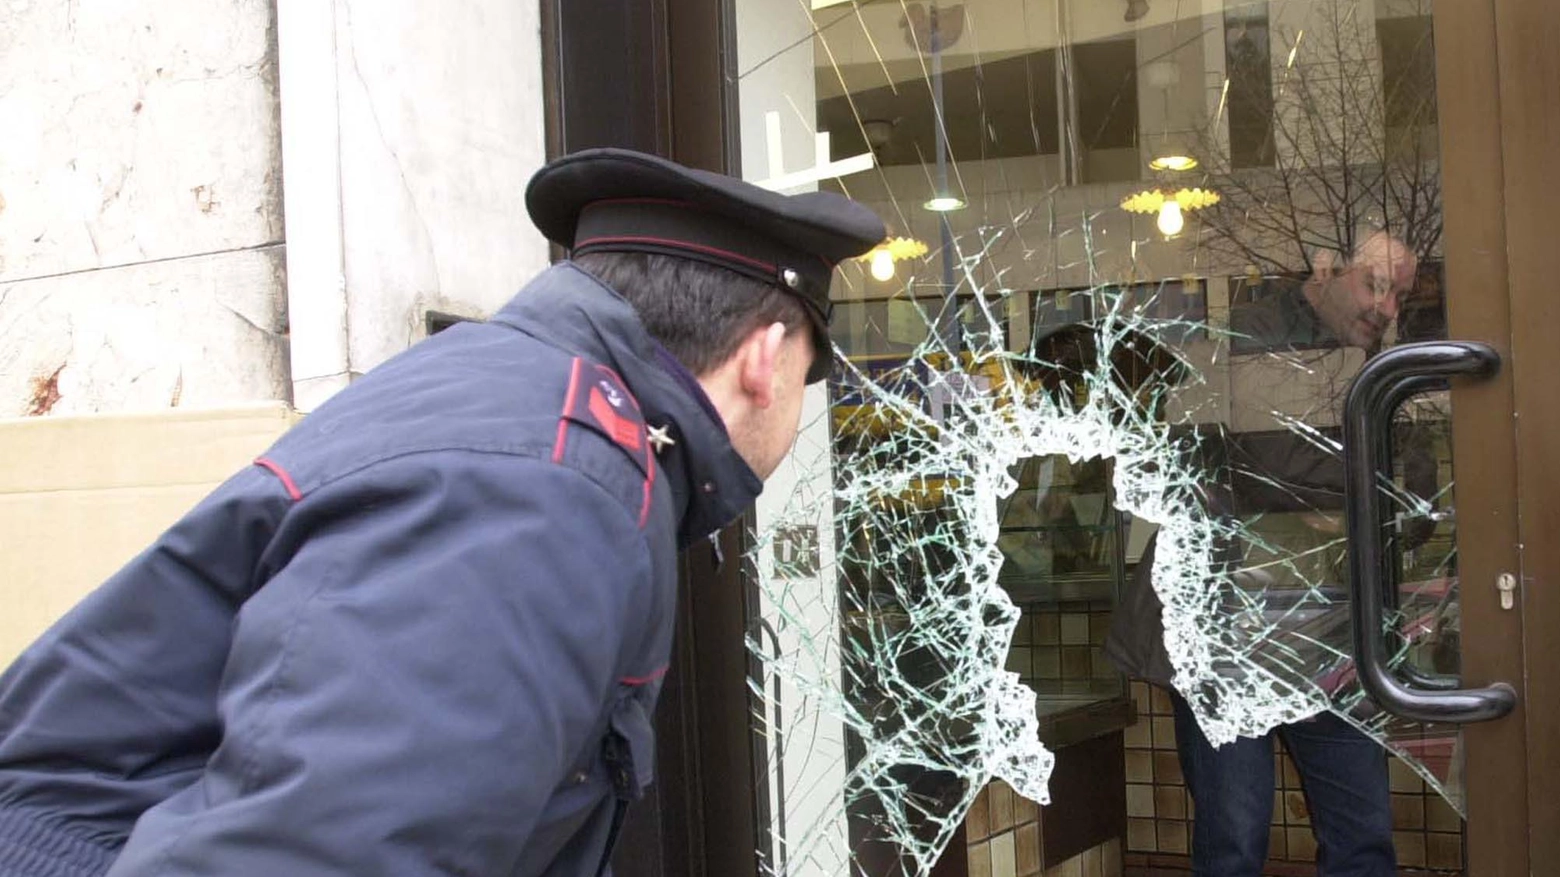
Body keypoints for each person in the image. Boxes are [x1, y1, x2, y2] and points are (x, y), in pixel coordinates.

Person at [0, 148, 885, 876]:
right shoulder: (550, 491)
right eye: (812, 375)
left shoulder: (514, 405)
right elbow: (316, 856)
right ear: (767, 358)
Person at [1106, 228, 1422, 877]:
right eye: (1378, 284)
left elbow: (1417, 491)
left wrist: (1350, 505)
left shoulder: (1381, 358)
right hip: (1225, 634)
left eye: (1401, 295)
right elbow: (1269, 465)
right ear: (1328, 267)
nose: (1388, 308)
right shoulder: (1252, 332)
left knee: (1363, 839)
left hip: (1335, 633)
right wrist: (1368, 492)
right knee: (1234, 842)